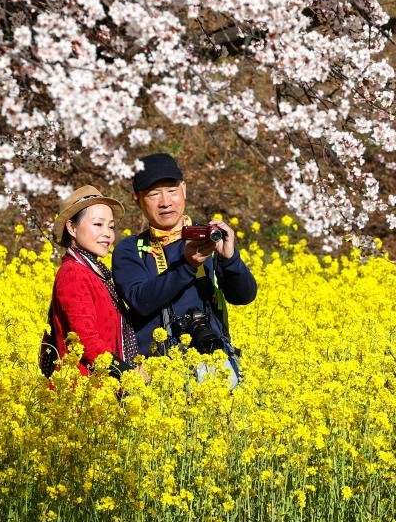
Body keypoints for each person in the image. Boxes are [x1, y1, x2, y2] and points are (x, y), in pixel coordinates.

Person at [112, 153, 257, 386]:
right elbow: (141, 300)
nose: (165, 202)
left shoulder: (208, 238)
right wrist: (187, 266)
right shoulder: (131, 249)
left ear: (184, 189)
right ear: (137, 200)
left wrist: (230, 259)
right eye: (153, 194)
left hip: (213, 363)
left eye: (171, 190)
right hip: (155, 371)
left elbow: (244, 296)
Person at [40, 186, 143, 381]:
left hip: (101, 389)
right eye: (98, 224)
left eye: (111, 227)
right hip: (83, 392)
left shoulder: (95, 274)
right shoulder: (74, 273)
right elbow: (86, 341)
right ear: (72, 228)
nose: (108, 234)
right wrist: (130, 375)